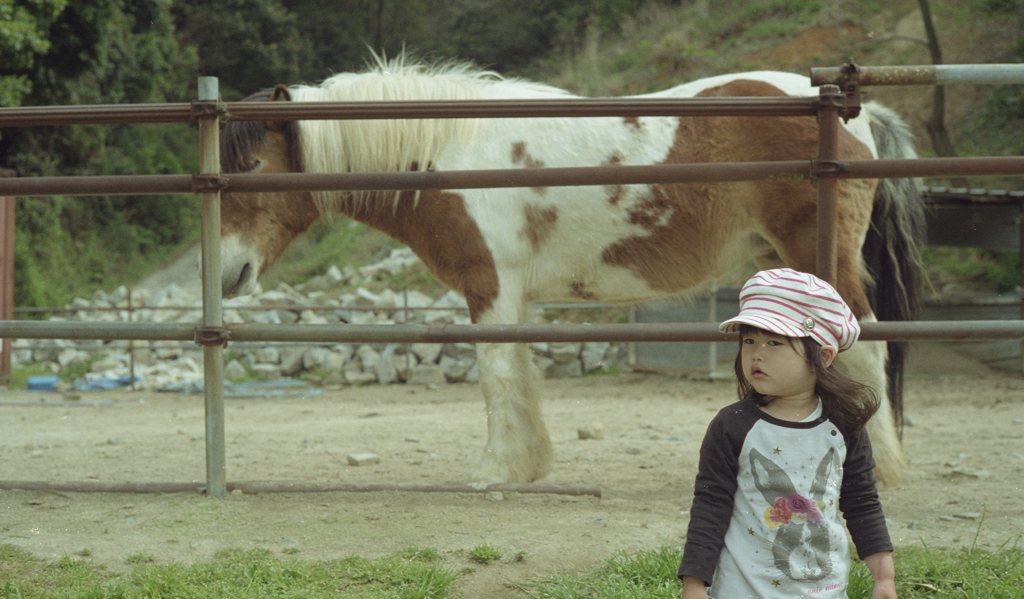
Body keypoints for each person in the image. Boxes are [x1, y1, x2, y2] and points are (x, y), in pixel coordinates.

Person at [678, 268, 897, 599]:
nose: (757, 353)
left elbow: (862, 502)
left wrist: (884, 577)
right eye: (749, 340)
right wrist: (694, 585)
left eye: (775, 342)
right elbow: (710, 506)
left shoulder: (844, 426)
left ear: (822, 356)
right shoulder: (732, 425)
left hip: (824, 590)